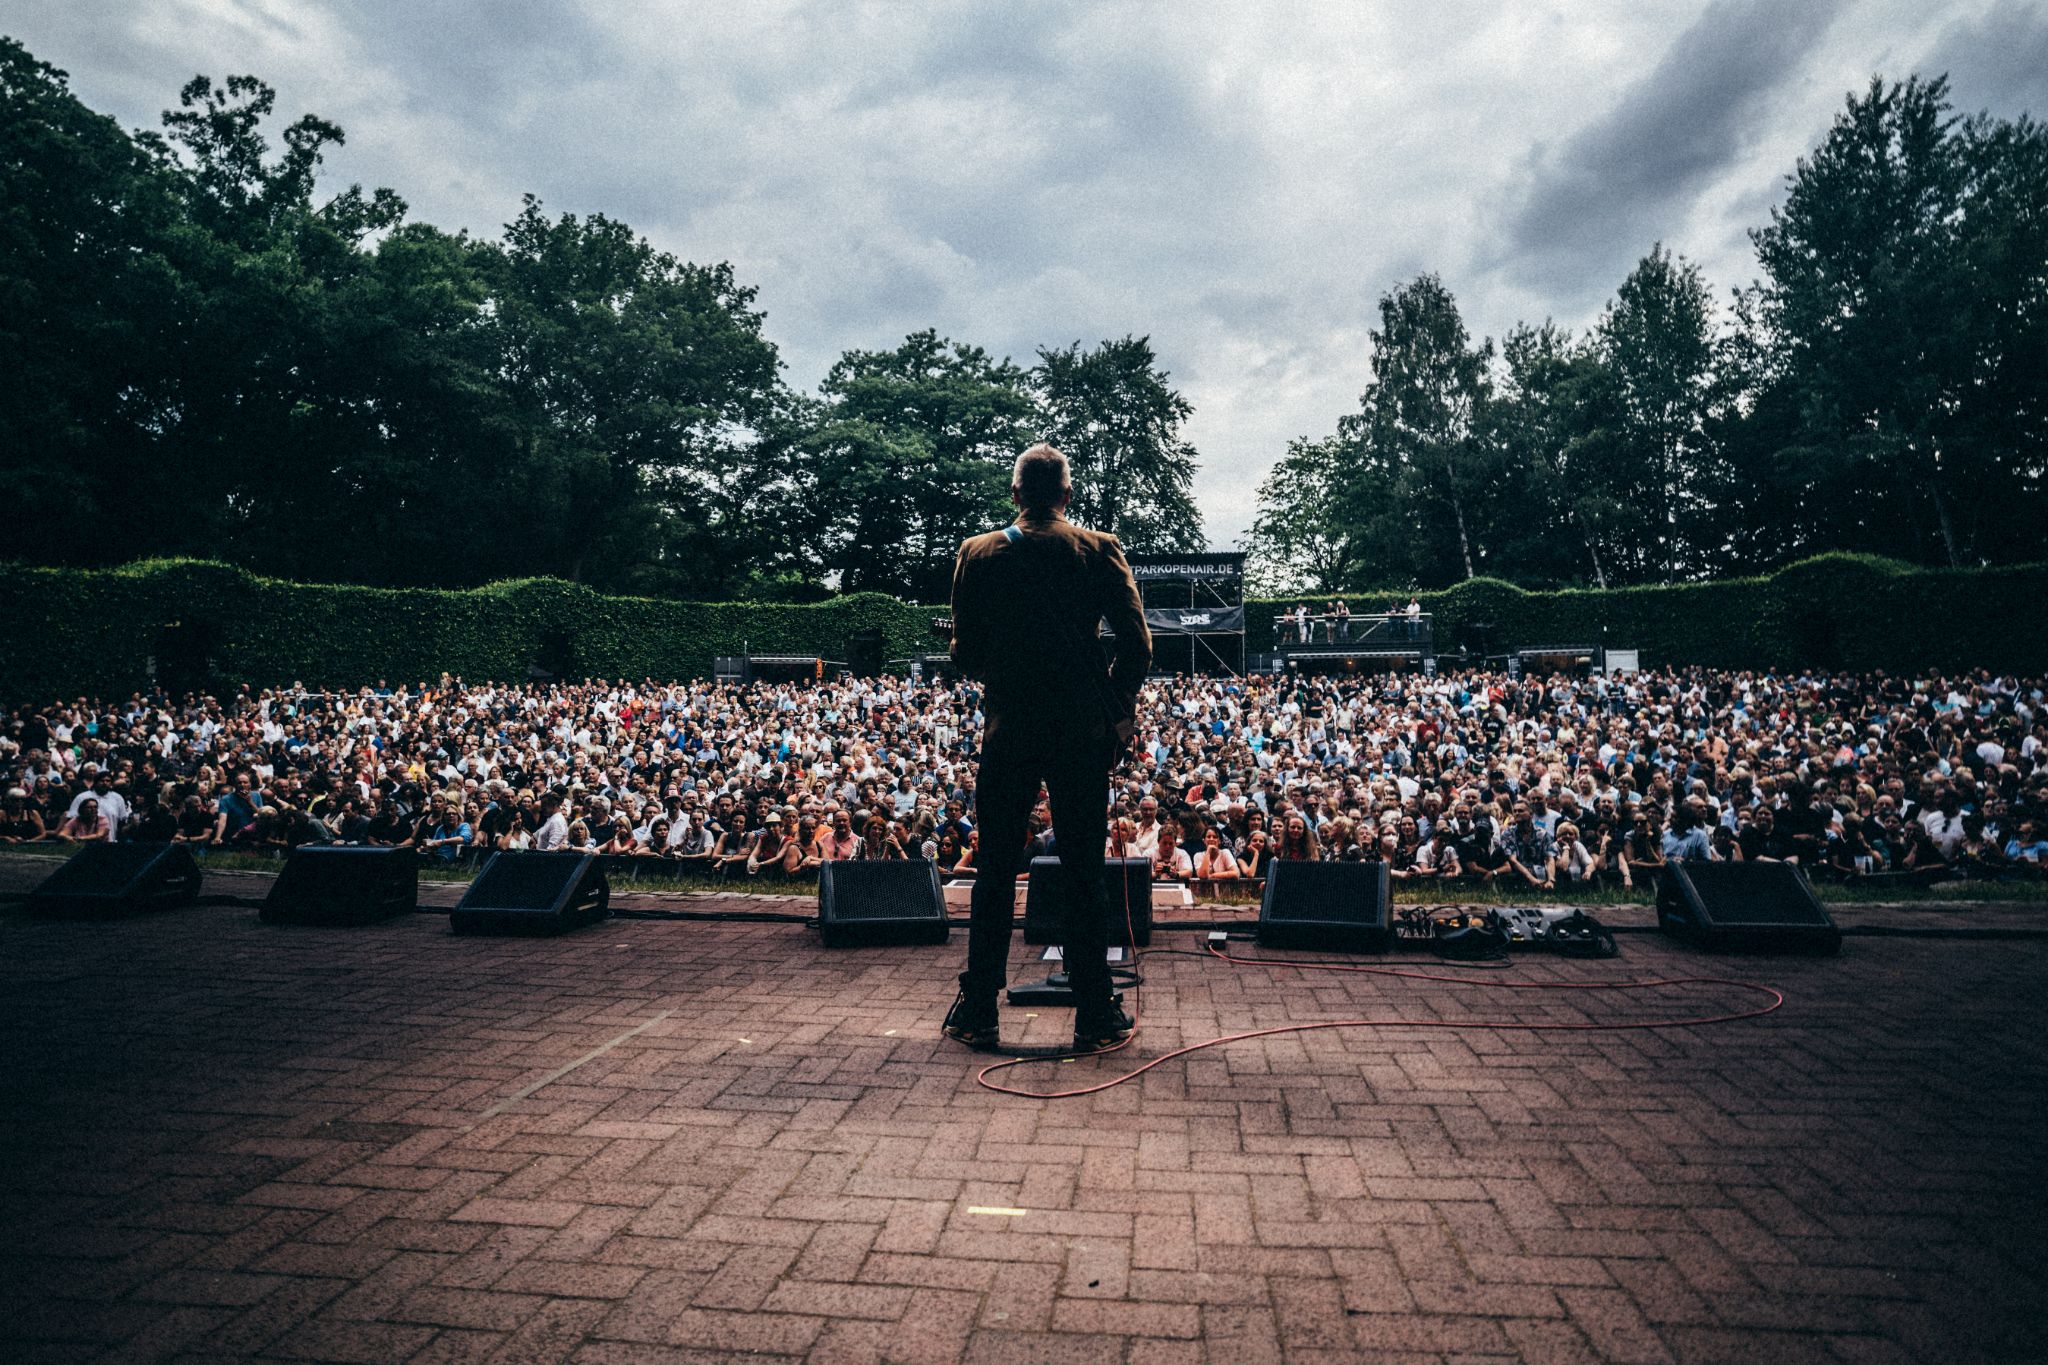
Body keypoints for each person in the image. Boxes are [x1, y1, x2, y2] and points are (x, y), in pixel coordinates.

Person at [942, 443, 1150, 1052]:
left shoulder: (977, 553)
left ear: (1015, 494)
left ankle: (979, 1006)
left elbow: (966, 655)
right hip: (1082, 731)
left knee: (996, 871)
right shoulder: (1100, 548)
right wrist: (1115, 712)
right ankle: (1095, 1011)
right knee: (1085, 871)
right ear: (1066, 494)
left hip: (1009, 728)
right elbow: (1137, 647)